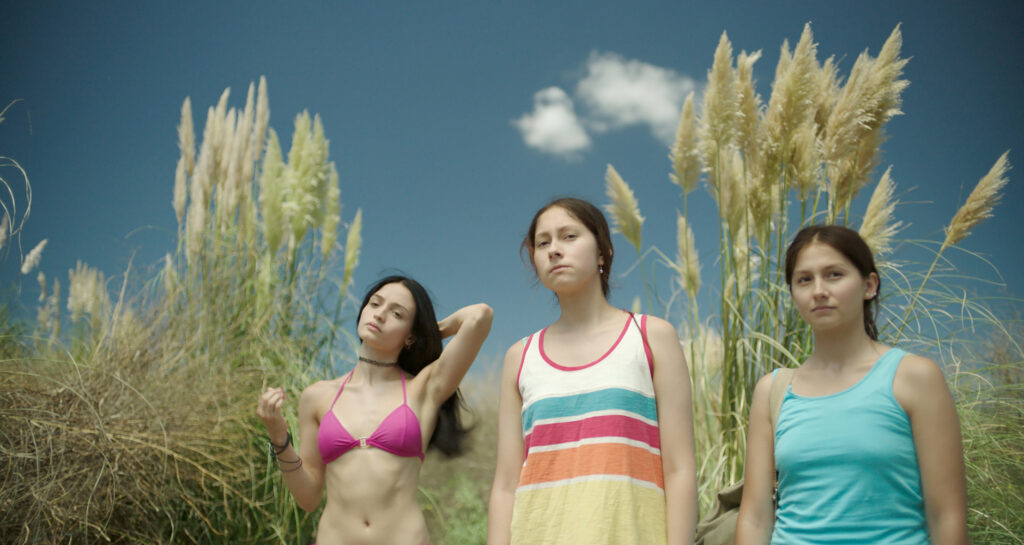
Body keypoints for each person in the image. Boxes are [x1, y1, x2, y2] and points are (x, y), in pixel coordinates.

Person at [735, 225, 970, 544]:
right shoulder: (773, 390)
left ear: (869, 285)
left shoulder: (915, 377)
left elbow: (947, 518)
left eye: (834, 274)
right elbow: (755, 519)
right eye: (804, 279)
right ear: (792, 294)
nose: (818, 290)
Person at [487, 197, 698, 545]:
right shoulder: (519, 357)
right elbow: (506, 485)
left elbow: (679, 469)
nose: (554, 250)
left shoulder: (651, 337)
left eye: (569, 236)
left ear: (603, 253)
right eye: (543, 243)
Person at [258, 275, 493, 545]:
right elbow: (308, 498)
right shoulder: (318, 396)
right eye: (375, 304)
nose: (380, 315)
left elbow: (480, 316)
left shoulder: (424, 389)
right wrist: (279, 438)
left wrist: (426, 334)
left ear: (410, 335)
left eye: (396, 313)